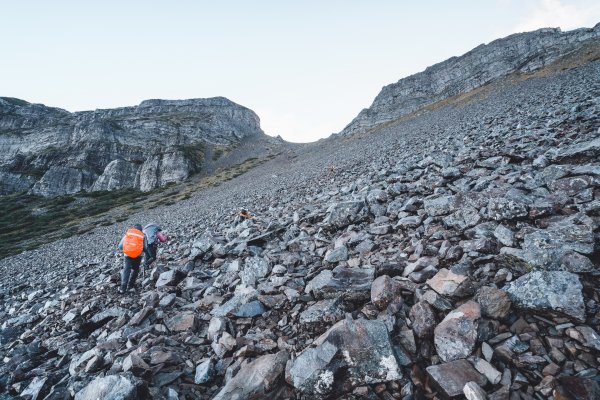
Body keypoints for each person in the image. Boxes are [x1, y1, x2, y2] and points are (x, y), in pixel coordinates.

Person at [118, 224, 149, 293]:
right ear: (141, 229)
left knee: (126, 270)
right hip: (138, 255)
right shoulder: (143, 235)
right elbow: (145, 247)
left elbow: (120, 246)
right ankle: (131, 285)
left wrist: (127, 249)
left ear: (133, 229)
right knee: (135, 269)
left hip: (127, 254)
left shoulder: (128, 234)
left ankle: (123, 287)